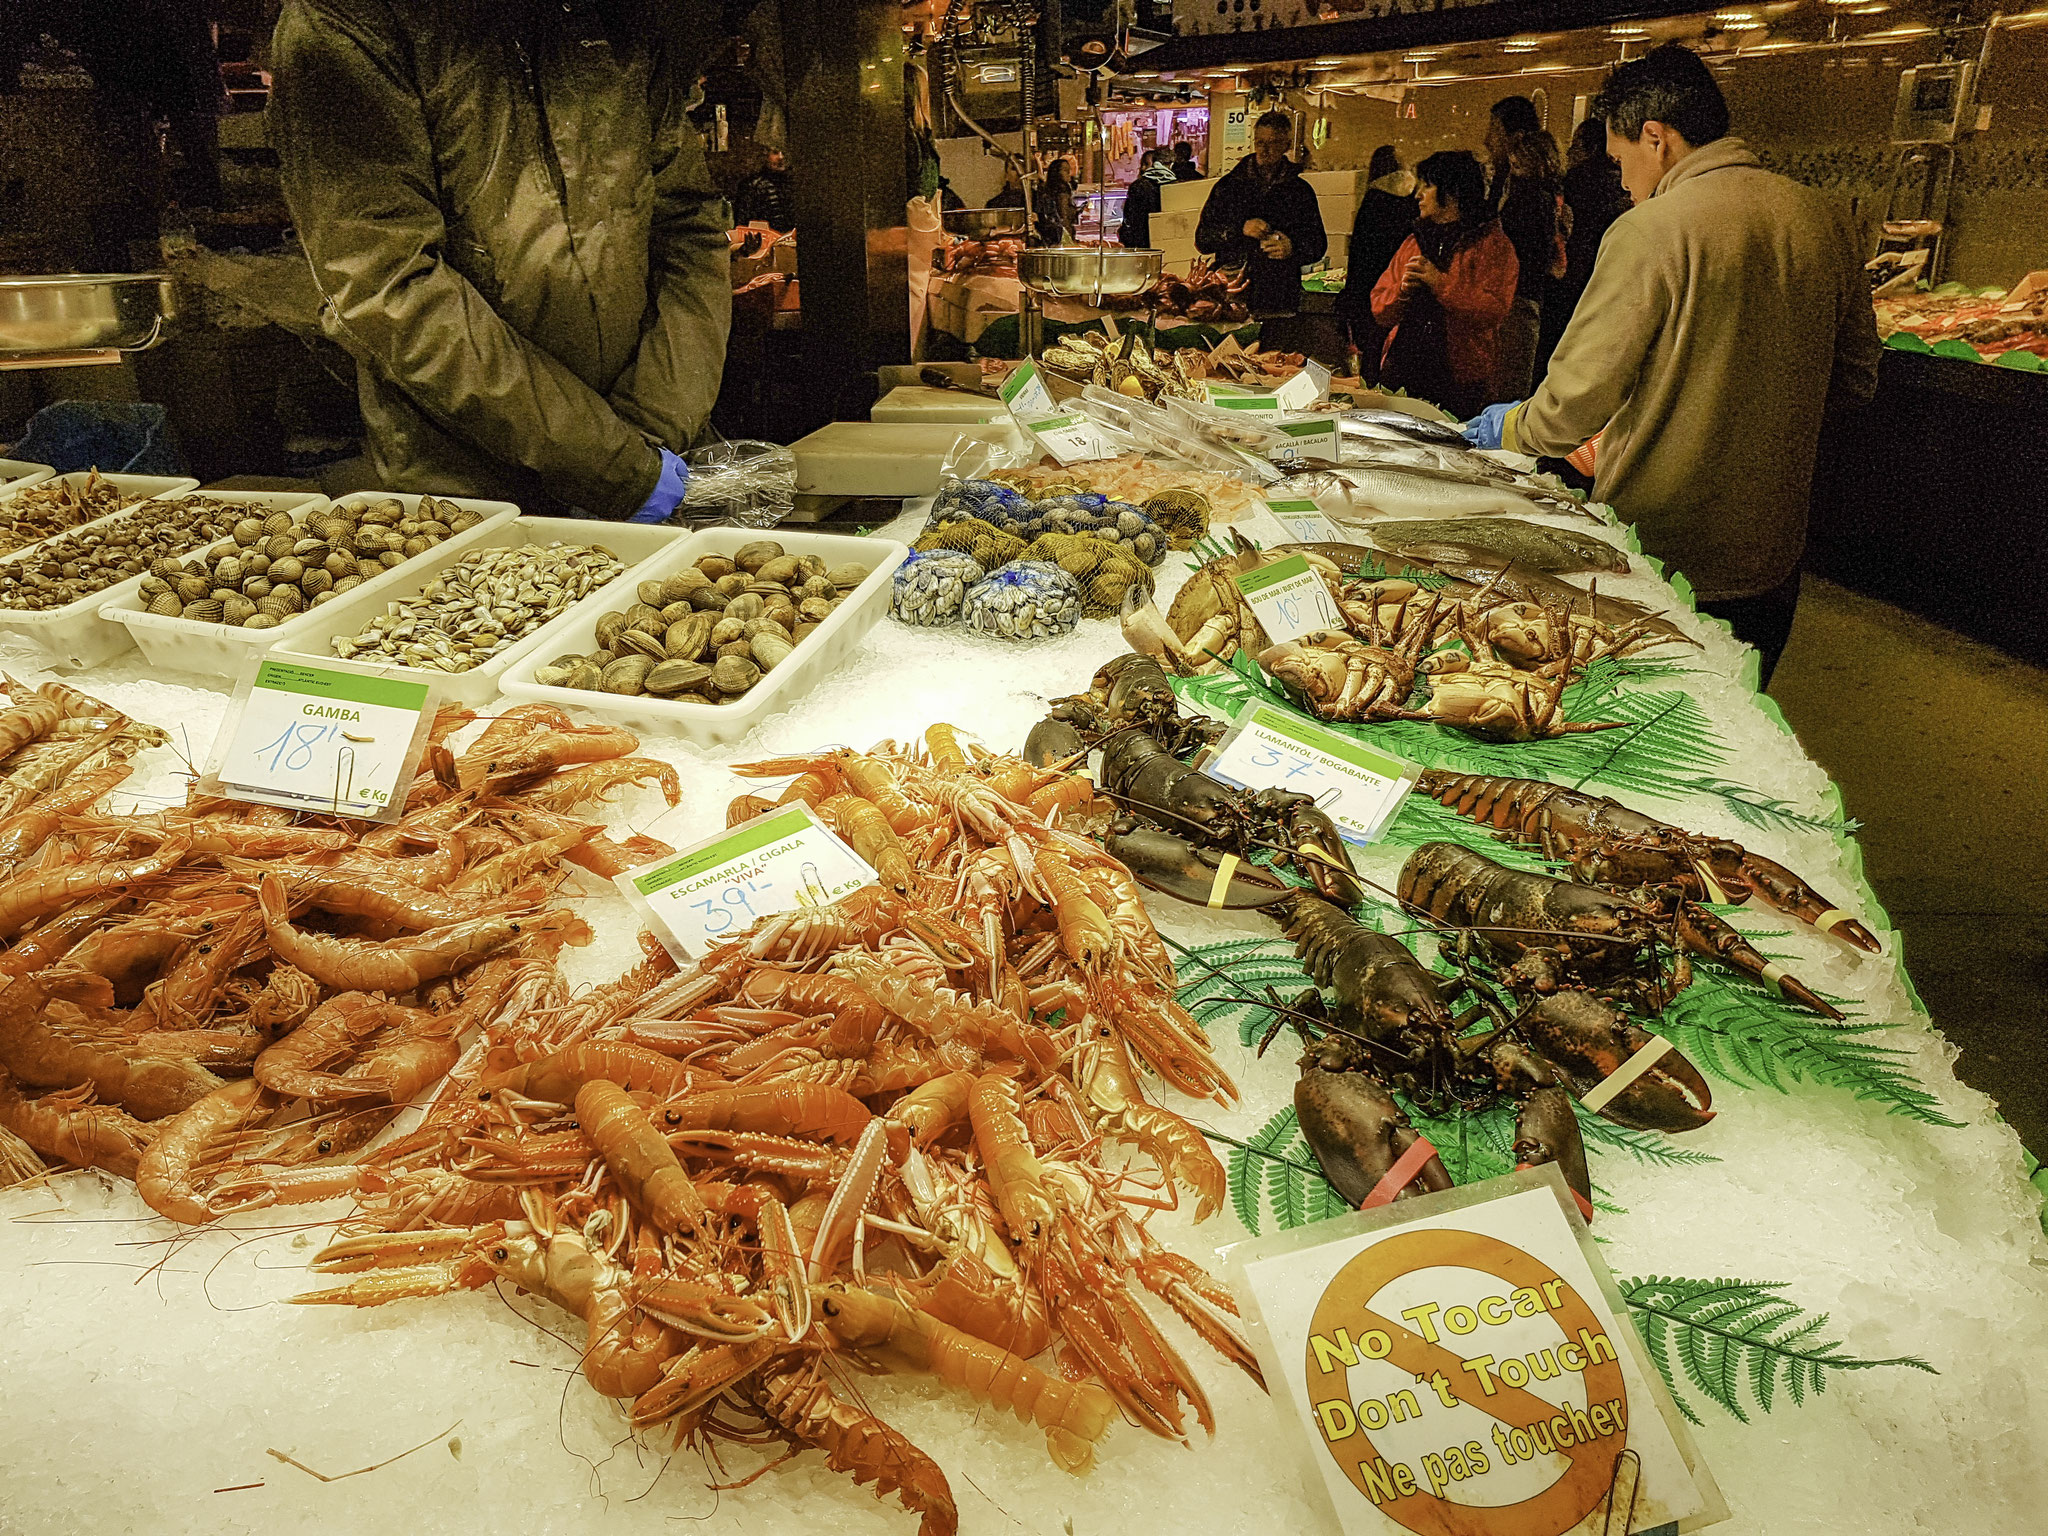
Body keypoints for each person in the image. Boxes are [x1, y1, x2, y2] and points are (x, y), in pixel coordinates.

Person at [1464, 43, 1881, 685]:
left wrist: (1509, 430)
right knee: (1738, 731)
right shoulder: (1824, 218)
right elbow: (1855, 379)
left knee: (1639, 743)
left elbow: (1572, 404)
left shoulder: (1651, 229)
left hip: (1661, 553)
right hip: (1773, 556)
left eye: (1619, 160)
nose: (1623, 182)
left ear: (1656, 138)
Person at [270, 0, 730, 523]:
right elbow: (385, 281)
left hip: (655, 452)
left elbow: (689, 224)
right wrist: (612, 464)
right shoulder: (345, 21)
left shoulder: (616, 18)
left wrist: (654, 428)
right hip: (474, 492)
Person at [1368, 151, 1517, 419]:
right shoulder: (1414, 241)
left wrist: (1441, 284)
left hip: (1460, 378)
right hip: (1402, 369)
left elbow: (1493, 310)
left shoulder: (1491, 244)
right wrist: (1402, 292)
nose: (1418, 194)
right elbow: (1379, 310)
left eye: (1427, 185)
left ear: (1452, 192)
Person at [1194, 110, 1328, 320]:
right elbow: (1203, 239)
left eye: (1273, 143)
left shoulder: (1299, 191)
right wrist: (1239, 229)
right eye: (1260, 142)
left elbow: (1318, 244)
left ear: (1285, 145)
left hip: (1279, 298)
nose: (1265, 150)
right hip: (1231, 297)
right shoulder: (1229, 187)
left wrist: (1292, 248)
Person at [1536, 118, 1631, 376]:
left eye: (1575, 145)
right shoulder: (1624, 185)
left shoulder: (1577, 182)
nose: (1569, 152)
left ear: (1590, 149)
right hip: (1605, 278)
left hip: (1570, 278)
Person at [1485, 95, 1562, 399]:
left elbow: (1520, 256)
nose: (1486, 140)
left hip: (1516, 302)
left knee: (1506, 393)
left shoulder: (1527, 197)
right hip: (1516, 301)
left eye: (1493, 130)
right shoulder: (1525, 191)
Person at [1334, 144, 1416, 384]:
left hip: (1373, 300)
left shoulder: (1373, 202)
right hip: (1402, 301)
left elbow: (1361, 259)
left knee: (1371, 371)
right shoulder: (1414, 203)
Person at [1118, 147, 1177, 249]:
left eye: (1146, 164)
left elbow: (1130, 217)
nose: (1142, 168)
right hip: (1166, 242)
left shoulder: (1138, 186)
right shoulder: (1176, 185)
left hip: (1141, 243)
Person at [734, 148, 795, 233]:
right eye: (775, 153)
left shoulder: (791, 183)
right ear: (764, 156)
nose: (781, 157)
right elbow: (743, 221)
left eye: (783, 152)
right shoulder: (752, 186)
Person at [1038, 157, 1077, 245]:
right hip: (1060, 234)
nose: (1069, 174)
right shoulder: (1062, 190)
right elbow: (1064, 215)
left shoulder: (1048, 189)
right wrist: (1069, 237)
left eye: (1068, 170)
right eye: (1065, 170)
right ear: (1056, 172)